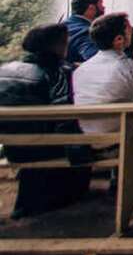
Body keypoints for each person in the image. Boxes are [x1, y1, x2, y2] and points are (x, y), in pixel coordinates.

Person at [0, 24, 91, 217]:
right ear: (57, 46)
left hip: (11, 147)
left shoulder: (5, 69)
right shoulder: (59, 73)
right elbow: (65, 117)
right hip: (47, 147)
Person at [73, 13, 133, 134]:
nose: (132, 33)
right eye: (128, 30)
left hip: (87, 138)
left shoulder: (80, 71)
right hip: (122, 139)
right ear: (118, 40)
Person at [63, 0, 105, 64]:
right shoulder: (85, 32)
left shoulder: (63, 24)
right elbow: (96, 60)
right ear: (91, 8)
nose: (104, 7)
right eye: (101, 4)